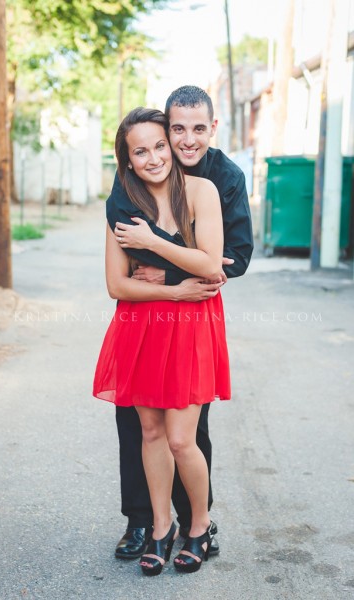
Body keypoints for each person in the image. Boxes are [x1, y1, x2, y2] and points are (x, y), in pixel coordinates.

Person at [106, 86, 253, 560]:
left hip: (191, 318)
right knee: (139, 427)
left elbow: (229, 260)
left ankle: (198, 521)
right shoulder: (128, 180)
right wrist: (168, 281)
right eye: (176, 129)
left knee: (187, 432)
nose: (183, 141)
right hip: (144, 320)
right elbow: (120, 275)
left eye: (196, 129)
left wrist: (167, 267)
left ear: (212, 128)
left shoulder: (220, 179)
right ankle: (146, 524)